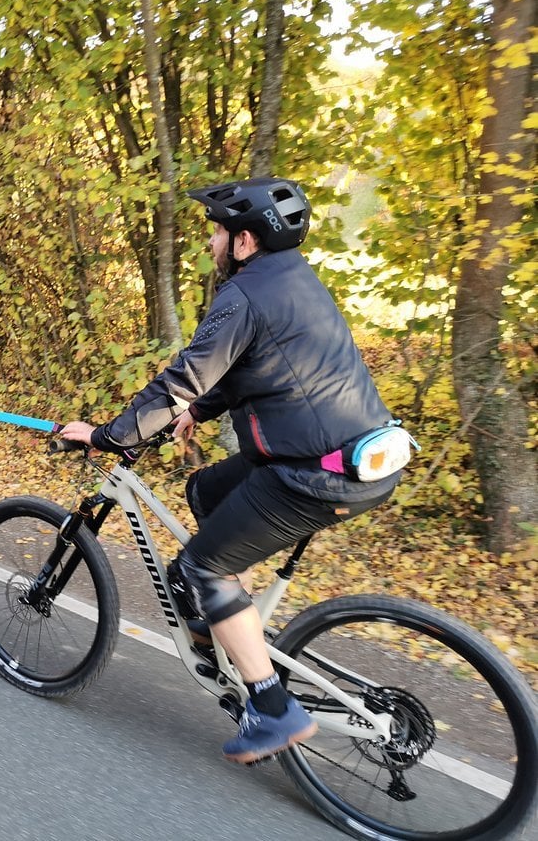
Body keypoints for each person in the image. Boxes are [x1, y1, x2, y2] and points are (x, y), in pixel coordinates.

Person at [59, 177, 403, 764]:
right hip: (351, 452)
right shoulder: (293, 280)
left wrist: (109, 435)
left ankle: (272, 709)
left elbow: (183, 376)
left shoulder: (243, 295)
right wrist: (198, 410)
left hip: (314, 474)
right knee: (204, 490)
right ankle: (215, 622)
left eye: (218, 233)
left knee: (202, 567)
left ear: (245, 242)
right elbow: (256, 365)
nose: (212, 244)